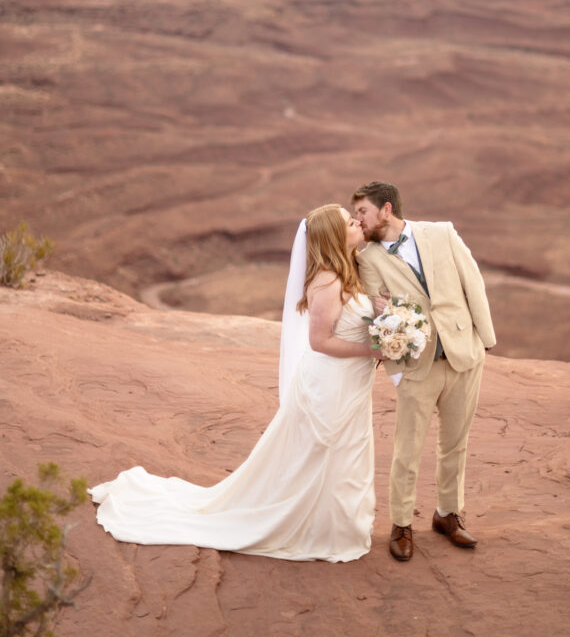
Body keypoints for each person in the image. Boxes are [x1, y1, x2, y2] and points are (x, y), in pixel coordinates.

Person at [90, 204, 382, 562]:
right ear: (335, 238)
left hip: (347, 382)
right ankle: (322, 529)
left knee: (344, 451)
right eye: (349, 223)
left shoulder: (348, 270)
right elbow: (320, 341)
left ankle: (337, 525)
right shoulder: (327, 280)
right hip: (330, 384)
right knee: (327, 453)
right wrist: (370, 349)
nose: (357, 224)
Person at [352, 181, 496, 562]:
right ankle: (401, 523)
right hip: (416, 366)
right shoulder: (367, 259)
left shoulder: (442, 233)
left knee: (455, 443)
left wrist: (484, 341)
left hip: (463, 355)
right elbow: (378, 312)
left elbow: (473, 283)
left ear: (385, 209)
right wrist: (396, 373)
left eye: (362, 212)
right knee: (407, 449)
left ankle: (448, 514)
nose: (357, 220)